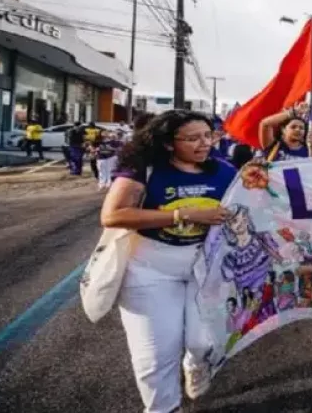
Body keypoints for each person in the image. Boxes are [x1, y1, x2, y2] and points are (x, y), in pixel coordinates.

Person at [101, 110, 236, 412]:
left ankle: (196, 363)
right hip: (151, 270)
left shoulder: (226, 171)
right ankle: (164, 407)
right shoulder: (143, 170)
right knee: (154, 355)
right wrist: (183, 214)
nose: (205, 144)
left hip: (207, 269)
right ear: (167, 144)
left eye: (208, 135)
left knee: (206, 342)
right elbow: (112, 215)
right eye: (193, 138)